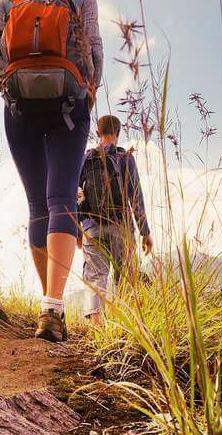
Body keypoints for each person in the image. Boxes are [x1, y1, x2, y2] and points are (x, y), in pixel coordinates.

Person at [0, 0, 103, 342]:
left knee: (38, 205)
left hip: (18, 109)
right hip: (69, 106)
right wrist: (87, 98)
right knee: (62, 200)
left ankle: (48, 306)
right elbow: (96, 52)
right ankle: (53, 304)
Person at [77, 115, 152, 325]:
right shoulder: (125, 157)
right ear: (118, 133)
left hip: (92, 226)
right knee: (125, 277)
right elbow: (135, 196)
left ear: (98, 132)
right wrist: (145, 231)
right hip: (122, 226)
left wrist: (76, 230)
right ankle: (125, 326)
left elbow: (75, 193)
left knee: (95, 276)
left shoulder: (85, 158)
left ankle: (97, 326)